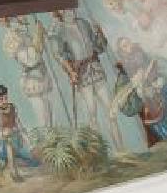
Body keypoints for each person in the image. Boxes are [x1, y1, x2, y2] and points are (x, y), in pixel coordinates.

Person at [50, 9, 125, 150]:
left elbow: (99, 48)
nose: (70, 11)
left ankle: (121, 149)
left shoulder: (84, 23)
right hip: (81, 74)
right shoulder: (58, 31)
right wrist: (71, 71)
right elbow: (59, 55)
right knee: (92, 114)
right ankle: (100, 151)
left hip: (96, 69)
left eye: (71, 8)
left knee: (111, 110)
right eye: (65, 9)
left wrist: (100, 34)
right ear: (59, 11)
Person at [111, 39, 167, 148]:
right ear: (121, 52)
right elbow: (123, 96)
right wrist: (137, 90)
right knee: (153, 115)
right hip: (146, 100)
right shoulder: (123, 71)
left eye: (129, 42)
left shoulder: (144, 55)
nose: (129, 45)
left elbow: (162, 65)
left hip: (159, 90)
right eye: (124, 46)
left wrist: (161, 79)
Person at [2, 16, 54, 129]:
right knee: (43, 119)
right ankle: (45, 137)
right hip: (32, 81)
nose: (23, 18)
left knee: (49, 116)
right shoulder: (14, 39)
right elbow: (32, 59)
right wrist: (38, 35)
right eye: (19, 17)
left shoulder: (26, 34)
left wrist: (41, 33)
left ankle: (51, 136)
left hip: (42, 76)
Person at [0, 85, 37, 183]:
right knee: (9, 142)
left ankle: (17, 162)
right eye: (1, 99)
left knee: (34, 161)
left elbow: (20, 128)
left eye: (6, 98)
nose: (4, 101)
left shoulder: (11, 108)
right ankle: (13, 173)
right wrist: (2, 134)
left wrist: (30, 145)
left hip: (15, 143)